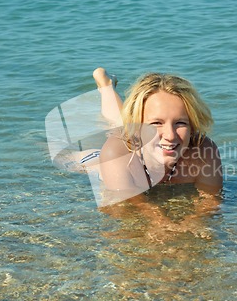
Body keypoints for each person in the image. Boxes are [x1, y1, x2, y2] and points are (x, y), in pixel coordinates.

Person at [92, 67, 223, 202]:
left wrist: (194, 221)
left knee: (119, 121)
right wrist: (163, 222)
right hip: (106, 156)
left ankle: (107, 86)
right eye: (157, 123)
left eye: (180, 123)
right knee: (116, 127)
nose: (170, 136)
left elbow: (211, 201)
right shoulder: (117, 153)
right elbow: (135, 207)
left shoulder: (204, 151)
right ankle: (106, 86)